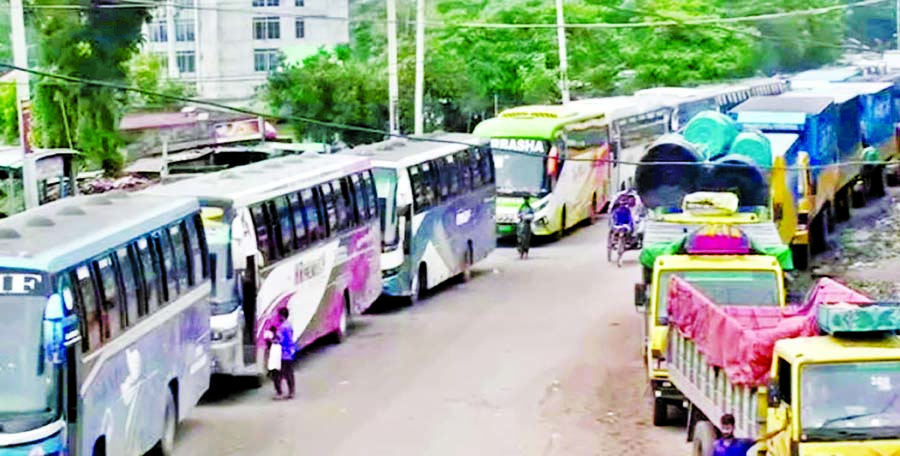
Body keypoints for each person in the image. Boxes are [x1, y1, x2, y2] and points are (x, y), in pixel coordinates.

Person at [274, 307, 296, 399]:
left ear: (281, 316)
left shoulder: (282, 328)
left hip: (282, 353)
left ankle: (280, 392)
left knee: (277, 374)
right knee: (289, 373)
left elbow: (279, 340)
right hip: (289, 352)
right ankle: (291, 391)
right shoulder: (289, 325)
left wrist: (271, 340)